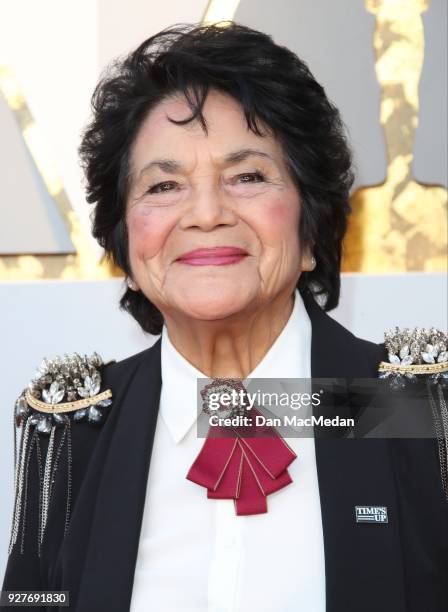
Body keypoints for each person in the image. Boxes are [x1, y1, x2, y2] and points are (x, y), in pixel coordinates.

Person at [2, 22, 447, 612]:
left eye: (247, 176)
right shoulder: (74, 427)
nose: (206, 214)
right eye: (163, 185)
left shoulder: (416, 410)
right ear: (127, 246)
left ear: (311, 226)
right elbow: (35, 600)